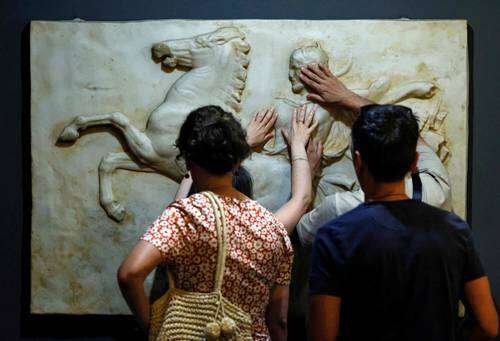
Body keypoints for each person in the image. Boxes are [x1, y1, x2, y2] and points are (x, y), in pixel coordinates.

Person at [117, 104, 318, 340]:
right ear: (238, 162)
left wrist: (153, 328)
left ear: (189, 163)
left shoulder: (186, 216)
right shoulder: (272, 227)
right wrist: (297, 147)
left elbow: (129, 274)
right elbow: (302, 199)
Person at [308, 103, 498, 340]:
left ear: (358, 162)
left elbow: (322, 336)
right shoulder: (455, 231)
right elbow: (488, 326)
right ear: (414, 162)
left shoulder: (334, 237)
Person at [295, 63, 452, 247]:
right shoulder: (436, 191)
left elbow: (292, 234)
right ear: (414, 161)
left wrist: (306, 172)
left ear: (358, 161)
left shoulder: (339, 208)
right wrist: (348, 96)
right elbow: (412, 137)